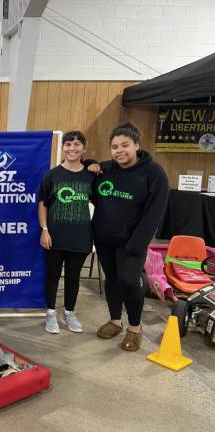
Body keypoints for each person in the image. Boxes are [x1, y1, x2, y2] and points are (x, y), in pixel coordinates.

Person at [92, 123, 168, 352]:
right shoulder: (106, 169)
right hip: (104, 237)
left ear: (136, 145)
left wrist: (137, 244)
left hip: (132, 242)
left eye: (125, 145)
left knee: (128, 280)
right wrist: (89, 164)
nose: (119, 150)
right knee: (112, 279)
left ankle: (135, 328)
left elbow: (155, 212)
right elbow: (88, 171)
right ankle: (115, 320)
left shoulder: (153, 173)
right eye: (115, 147)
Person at [38, 131, 94, 334]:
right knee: (52, 276)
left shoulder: (91, 175)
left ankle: (69, 312)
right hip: (55, 235)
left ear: (83, 149)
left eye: (77, 144)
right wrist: (44, 230)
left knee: (73, 276)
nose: (72, 148)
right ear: (63, 148)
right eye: (68, 144)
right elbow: (42, 204)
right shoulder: (52, 175)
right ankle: (51, 313)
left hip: (80, 236)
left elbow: (102, 203)